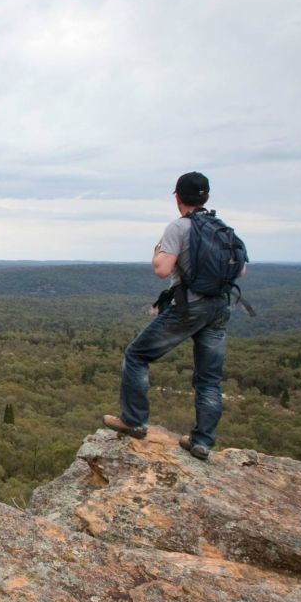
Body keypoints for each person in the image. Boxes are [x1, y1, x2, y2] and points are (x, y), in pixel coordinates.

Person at [102, 172, 237, 461]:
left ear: (177, 198)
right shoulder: (222, 228)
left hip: (190, 306)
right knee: (209, 379)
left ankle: (134, 421)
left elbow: (162, 270)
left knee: (136, 355)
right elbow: (242, 270)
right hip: (220, 307)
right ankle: (201, 442)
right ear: (206, 197)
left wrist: (156, 252)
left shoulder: (179, 227)